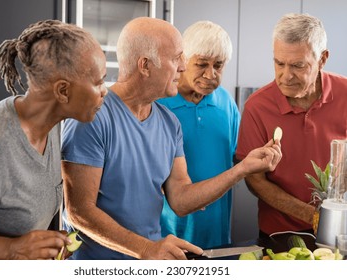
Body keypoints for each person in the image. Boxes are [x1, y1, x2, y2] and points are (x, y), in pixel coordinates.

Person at [61, 17, 282, 260]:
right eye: (176, 58)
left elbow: (181, 199)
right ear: (145, 65)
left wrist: (243, 168)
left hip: (154, 261)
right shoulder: (92, 116)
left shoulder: (168, 123)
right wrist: (146, 249)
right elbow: (79, 211)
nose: (183, 67)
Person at [0, 19, 107, 259]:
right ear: (63, 91)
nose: (104, 90)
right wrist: (12, 249)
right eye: (98, 82)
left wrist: (43, 245)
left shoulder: (55, 125)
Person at [235, 13, 347, 238]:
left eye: (297, 65)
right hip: (279, 233)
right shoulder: (257, 106)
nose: (286, 76)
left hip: (340, 229)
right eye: (279, 63)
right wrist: (313, 216)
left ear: (322, 59)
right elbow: (254, 179)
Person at [157, 21, 240, 249]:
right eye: (202, 64)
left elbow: (236, 156)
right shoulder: (158, 104)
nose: (210, 74)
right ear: (183, 59)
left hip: (218, 236)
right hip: (167, 238)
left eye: (219, 66)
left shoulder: (226, 103)